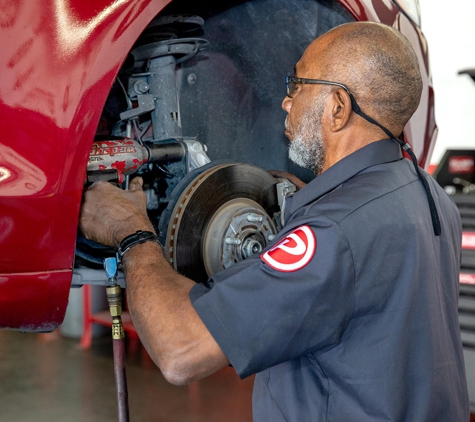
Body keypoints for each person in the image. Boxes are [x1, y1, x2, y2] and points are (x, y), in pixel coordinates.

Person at [80, 22, 469, 421]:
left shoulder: (331, 235)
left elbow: (180, 350)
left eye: (296, 84)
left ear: (338, 107)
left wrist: (131, 232)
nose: (285, 102)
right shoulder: (431, 195)